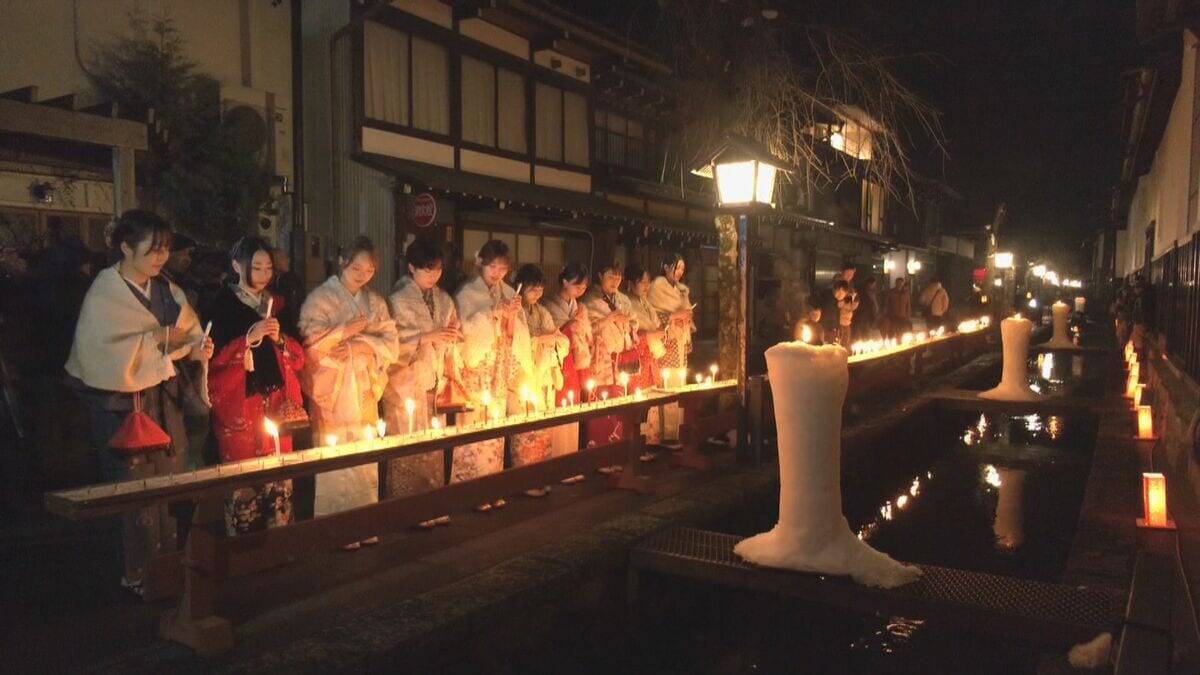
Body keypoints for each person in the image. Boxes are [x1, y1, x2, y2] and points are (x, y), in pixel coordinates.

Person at [64, 210, 214, 592]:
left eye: (165, 249)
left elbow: (188, 332)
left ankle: (172, 566)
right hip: (122, 405)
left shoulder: (166, 288)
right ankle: (140, 573)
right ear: (126, 248)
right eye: (153, 249)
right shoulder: (105, 292)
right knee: (134, 488)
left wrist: (196, 347)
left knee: (169, 480)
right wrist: (157, 339)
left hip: (164, 401)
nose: (161, 257)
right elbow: (101, 352)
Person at [298, 236, 399, 550]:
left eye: (369, 271)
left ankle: (363, 522)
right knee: (335, 453)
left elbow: (391, 343)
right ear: (342, 262)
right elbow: (310, 343)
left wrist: (359, 343)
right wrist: (343, 332)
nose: (362, 276)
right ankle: (334, 527)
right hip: (335, 386)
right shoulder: (320, 298)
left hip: (364, 382)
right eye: (356, 269)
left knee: (363, 452)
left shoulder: (375, 302)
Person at [206, 236, 305, 535]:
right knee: (244, 482)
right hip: (242, 402)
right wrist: (246, 340)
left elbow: (298, 356)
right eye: (256, 267)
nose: (264, 274)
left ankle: (278, 543)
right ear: (237, 266)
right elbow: (209, 360)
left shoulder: (278, 304)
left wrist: (279, 339)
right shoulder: (221, 304)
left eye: (268, 268)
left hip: (276, 401)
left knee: (278, 477)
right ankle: (244, 549)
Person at [383, 238, 459, 527]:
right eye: (427, 270)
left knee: (431, 446)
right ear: (411, 268)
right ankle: (406, 509)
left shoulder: (444, 299)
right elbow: (391, 343)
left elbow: (452, 330)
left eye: (437, 269)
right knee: (408, 445)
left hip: (432, 378)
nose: (433, 275)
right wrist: (426, 337)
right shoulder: (397, 301)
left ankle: (431, 504)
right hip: (405, 382)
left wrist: (451, 336)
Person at [454, 239, 523, 510]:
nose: (497, 273)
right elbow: (464, 329)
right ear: (480, 263)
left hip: (497, 367)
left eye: (503, 268)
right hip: (477, 368)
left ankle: (491, 486)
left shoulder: (508, 292)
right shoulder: (467, 293)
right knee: (474, 426)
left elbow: (511, 335)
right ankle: (470, 491)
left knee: (494, 428)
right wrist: (493, 312)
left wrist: (510, 316)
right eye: (492, 266)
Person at [511, 264, 568, 496]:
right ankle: (525, 479)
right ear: (521, 287)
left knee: (543, 428)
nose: (537, 294)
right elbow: (515, 343)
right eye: (532, 289)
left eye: (540, 290)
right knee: (525, 430)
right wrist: (540, 340)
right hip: (522, 374)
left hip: (542, 375)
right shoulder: (515, 312)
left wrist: (550, 340)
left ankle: (541, 475)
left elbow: (558, 337)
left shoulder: (542, 312)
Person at [581, 261, 635, 452]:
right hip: (600, 358)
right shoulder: (589, 301)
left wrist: (627, 323)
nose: (615, 281)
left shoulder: (623, 300)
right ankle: (598, 451)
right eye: (610, 276)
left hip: (619, 358)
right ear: (600, 276)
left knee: (619, 400)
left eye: (618, 277)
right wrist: (609, 319)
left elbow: (634, 323)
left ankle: (617, 450)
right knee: (600, 402)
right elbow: (587, 330)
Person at [543, 262, 592, 474]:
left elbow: (588, 335)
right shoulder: (549, 305)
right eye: (577, 285)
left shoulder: (580, 307)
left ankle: (571, 459)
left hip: (577, 361)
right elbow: (551, 332)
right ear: (564, 282)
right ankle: (559, 462)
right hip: (560, 361)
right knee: (561, 406)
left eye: (584, 286)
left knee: (574, 407)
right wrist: (568, 326)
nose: (581, 290)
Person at [648, 253, 695, 442]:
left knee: (676, 387)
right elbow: (653, 318)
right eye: (677, 267)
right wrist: (674, 317)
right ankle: (661, 434)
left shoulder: (682, 291)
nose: (680, 271)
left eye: (682, 268)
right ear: (666, 267)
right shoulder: (657, 287)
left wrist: (686, 317)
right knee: (664, 388)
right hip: (664, 344)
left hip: (679, 342)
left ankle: (673, 433)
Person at [624, 263, 667, 447]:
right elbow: (630, 332)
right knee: (638, 401)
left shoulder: (645, 302)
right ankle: (636, 444)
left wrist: (658, 332)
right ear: (631, 283)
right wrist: (649, 335)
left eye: (648, 282)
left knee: (651, 399)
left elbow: (654, 325)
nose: (646, 286)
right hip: (637, 357)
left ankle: (650, 441)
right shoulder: (627, 303)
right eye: (642, 282)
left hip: (650, 355)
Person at [831, 280, 858, 346]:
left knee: (844, 344)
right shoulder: (834, 301)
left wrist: (855, 299)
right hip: (837, 326)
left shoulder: (848, 300)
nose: (836, 295)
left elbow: (853, 307)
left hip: (846, 324)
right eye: (836, 292)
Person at [854, 275, 881, 340]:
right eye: (872, 284)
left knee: (868, 330)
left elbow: (876, 302)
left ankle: (866, 340)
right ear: (868, 283)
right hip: (864, 314)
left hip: (872, 314)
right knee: (864, 330)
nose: (873, 286)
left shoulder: (875, 292)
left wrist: (877, 312)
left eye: (874, 284)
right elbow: (861, 304)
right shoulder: (862, 292)